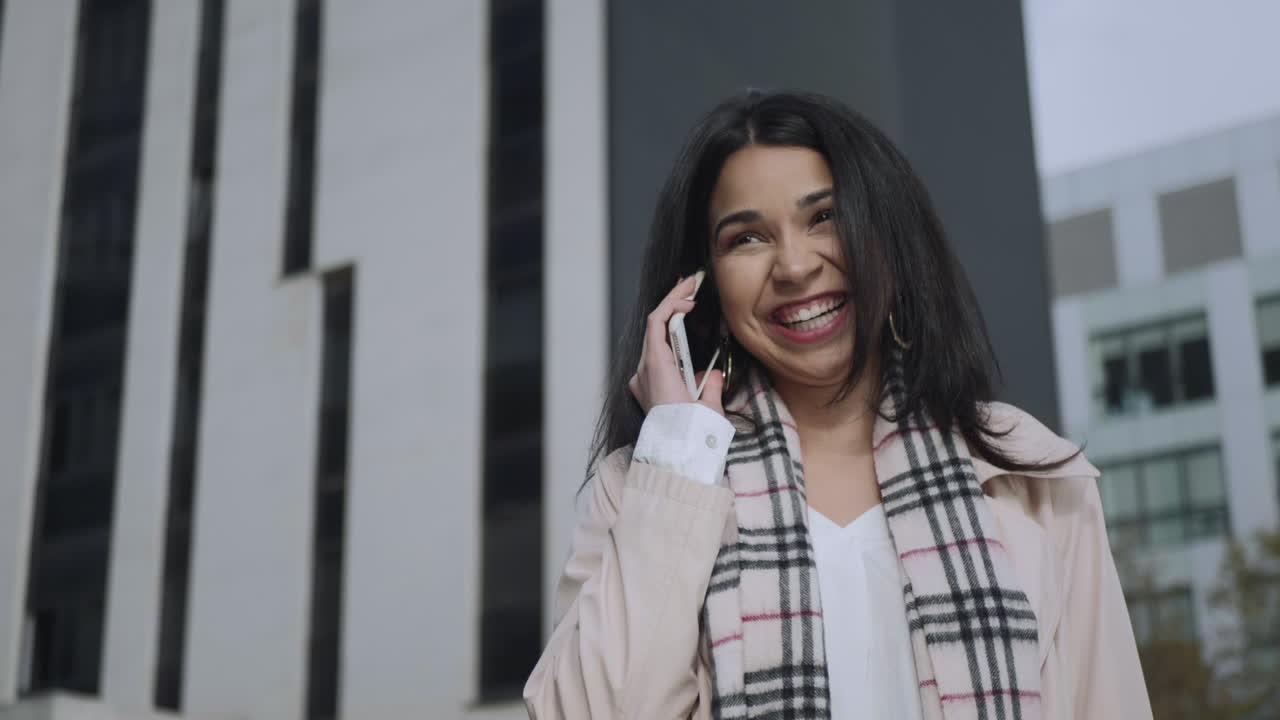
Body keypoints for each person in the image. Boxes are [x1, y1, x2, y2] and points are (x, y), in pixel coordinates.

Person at [522, 90, 1152, 720]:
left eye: (824, 217)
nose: (795, 266)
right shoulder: (647, 486)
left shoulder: (1027, 471)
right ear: (701, 284)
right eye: (747, 238)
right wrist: (680, 456)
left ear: (888, 235)